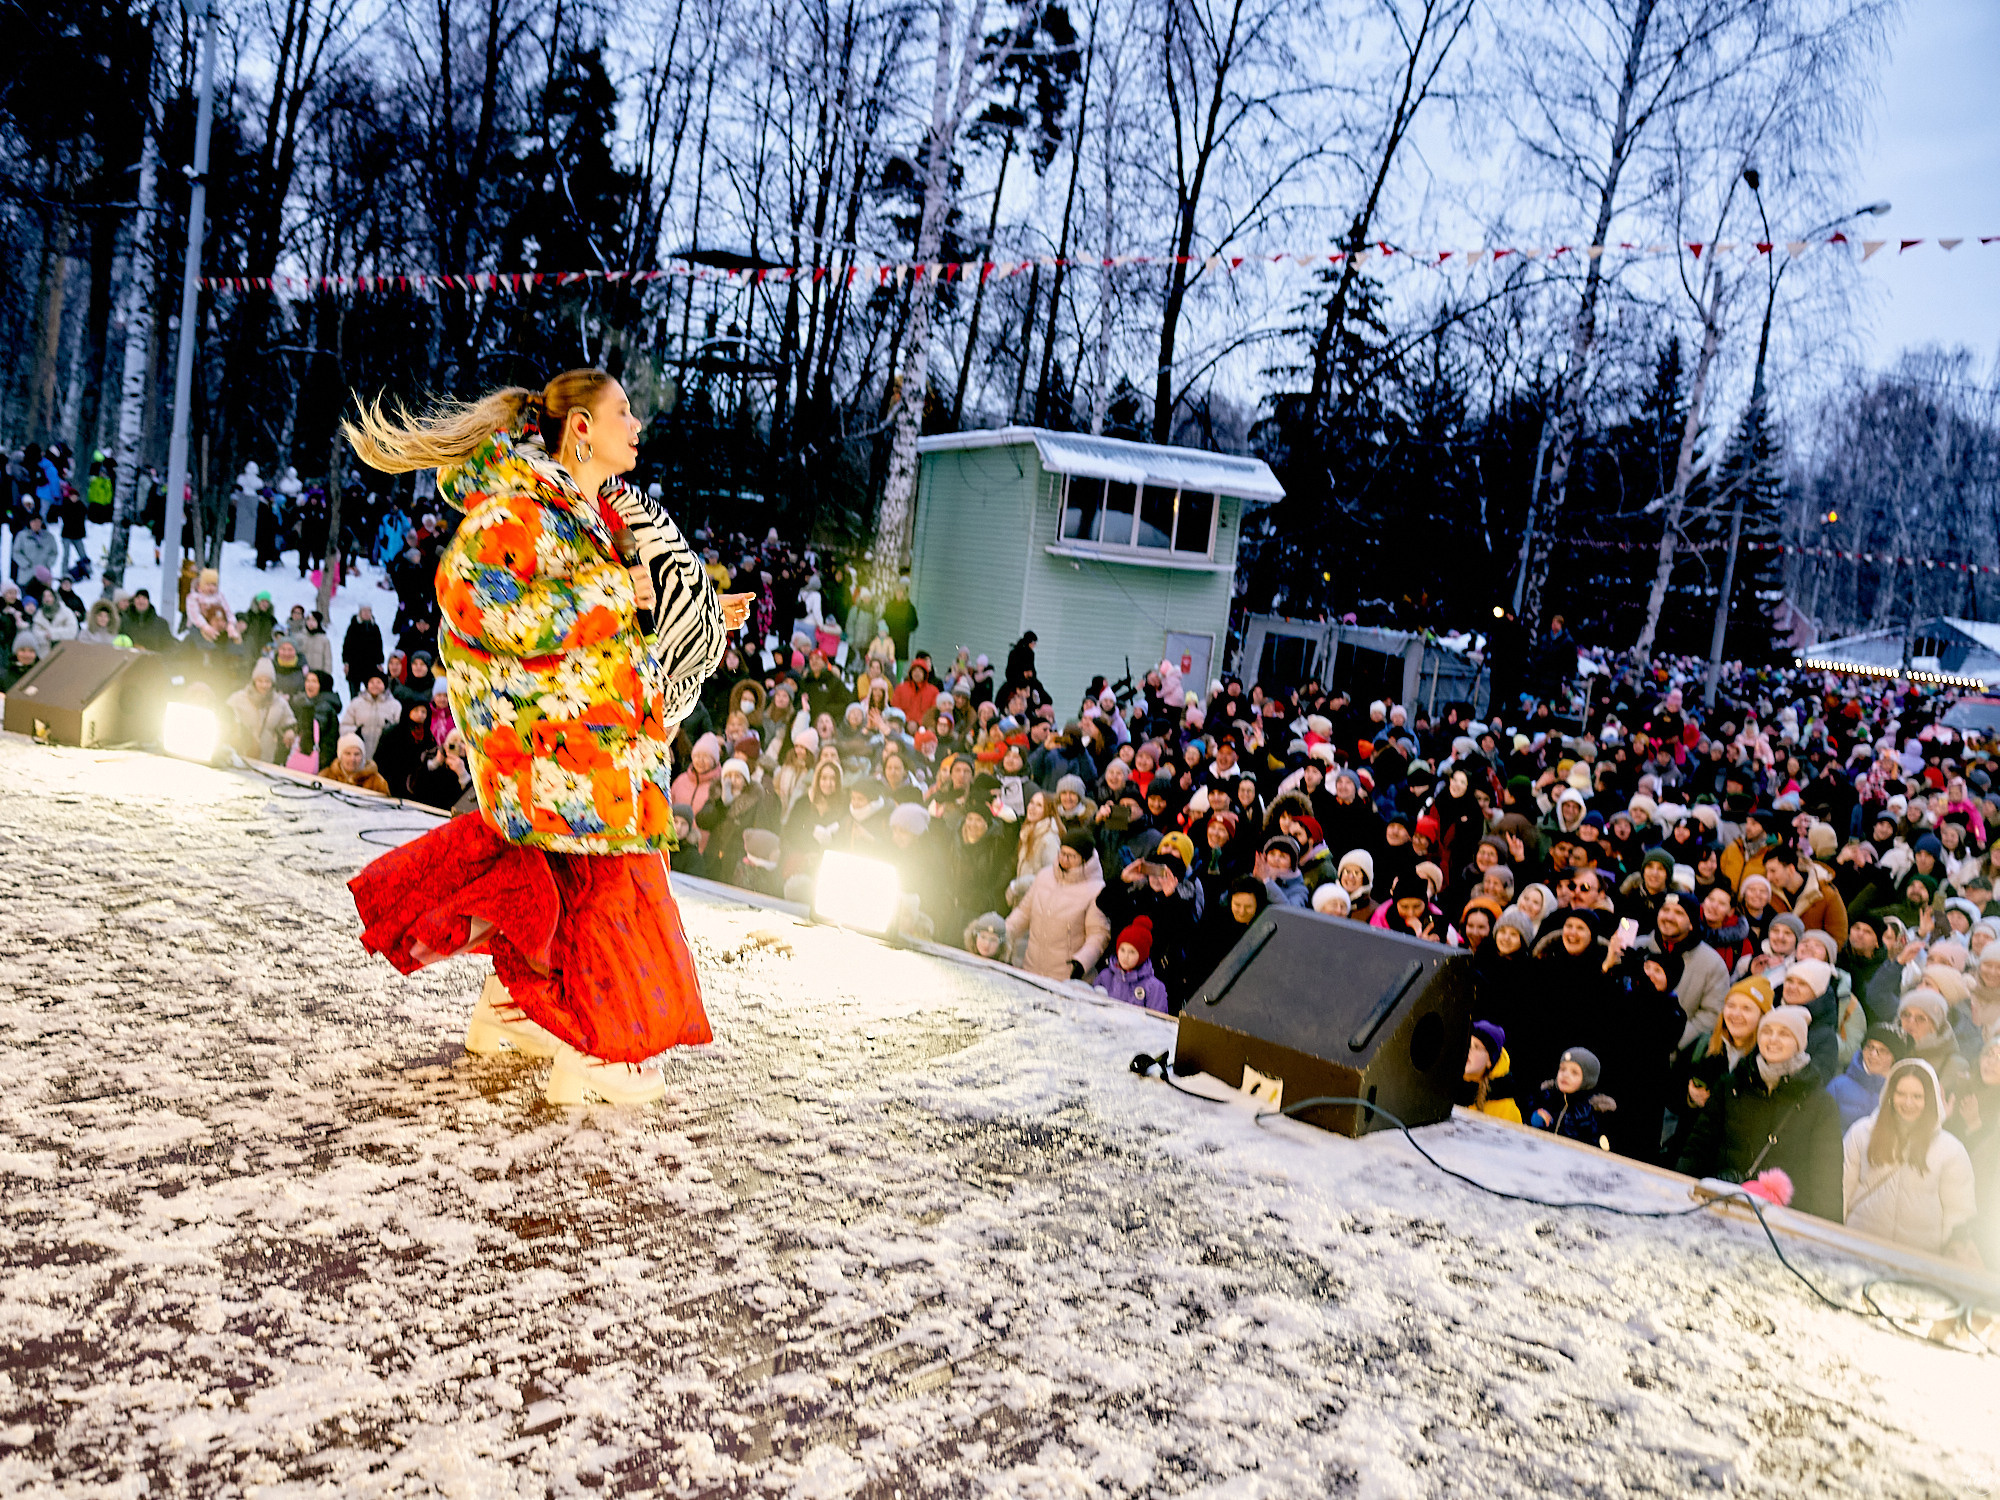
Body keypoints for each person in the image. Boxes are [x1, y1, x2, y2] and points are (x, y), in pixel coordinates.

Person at [340, 367, 747, 1106]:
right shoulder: (525, 506)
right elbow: (476, 603)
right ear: (581, 429)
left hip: (587, 755)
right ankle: (602, 1054)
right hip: (566, 763)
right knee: (615, 902)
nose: (637, 425)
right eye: (623, 411)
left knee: (553, 894)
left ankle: (512, 1014)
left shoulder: (585, 516)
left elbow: (588, 634)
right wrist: (618, 591)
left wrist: (698, 613)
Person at [1675, 1005, 1843, 1220]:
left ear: (1799, 1043)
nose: (1772, 1040)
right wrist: (1678, 1191)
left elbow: (1826, 1178)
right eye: (1766, 1031)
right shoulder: (1732, 1085)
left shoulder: (1820, 1103)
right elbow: (1698, 1147)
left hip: (1780, 1221)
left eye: (1784, 1034)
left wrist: (1824, 1233)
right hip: (1719, 1207)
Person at [1841, 1058, 1979, 1258]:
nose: (1908, 1103)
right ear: (1890, 1094)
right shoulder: (1862, 1132)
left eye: (1917, 1096)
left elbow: (1958, 1211)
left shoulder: (1951, 1149)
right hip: (1859, 1246)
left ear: (1930, 1099)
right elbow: (1844, 1187)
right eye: (1901, 1094)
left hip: (1918, 1258)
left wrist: (1951, 1255)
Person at [1005, 828, 1110, 981]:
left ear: (1084, 859)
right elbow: (1023, 913)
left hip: (1066, 976)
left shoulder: (1096, 889)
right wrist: (1004, 934)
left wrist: (1082, 962)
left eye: (1071, 856)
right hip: (1032, 968)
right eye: (1062, 853)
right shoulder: (1044, 876)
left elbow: (1098, 934)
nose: (1064, 859)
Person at [1524, 1048, 1613, 1145]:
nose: (1565, 1075)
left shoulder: (1591, 1112)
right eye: (1562, 1069)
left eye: (1574, 1072)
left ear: (1587, 1081)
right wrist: (1534, 1119)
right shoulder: (1545, 1097)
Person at [1095, 917, 1167, 1012]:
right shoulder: (1105, 977)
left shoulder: (1154, 987)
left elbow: (1158, 1021)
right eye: (1122, 950)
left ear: (1142, 956)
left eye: (1132, 952)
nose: (1125, 956)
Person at [1457, 1019, 1523, 1123]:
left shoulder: (1506, 1109)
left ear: (1489, 1060)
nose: (1468, 1049)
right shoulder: (1444, 1086)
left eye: (1476, 1047)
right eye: (1467, 1043)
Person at [322, 733, 392, 794]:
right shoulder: (326, 776)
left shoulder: (376, 782)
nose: (352, 759)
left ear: (363, 756)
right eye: (347, 753)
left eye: (357, 754)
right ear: (340, 756)